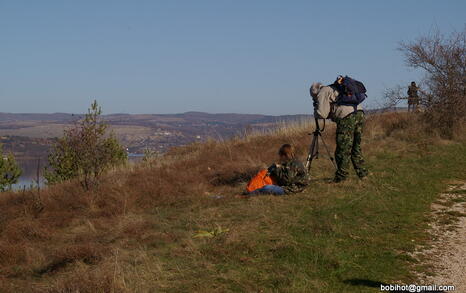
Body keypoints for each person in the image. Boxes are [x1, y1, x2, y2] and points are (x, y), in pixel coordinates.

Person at [310, 81, 369, 183]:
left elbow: (322, 114)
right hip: (360, 113)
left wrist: (316, 110)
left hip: (347, 118)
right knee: (355, 147)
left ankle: (341, 178)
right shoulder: (334, 89)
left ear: (314, 92)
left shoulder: (323, 92)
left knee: (342, 149)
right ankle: (363, 174)